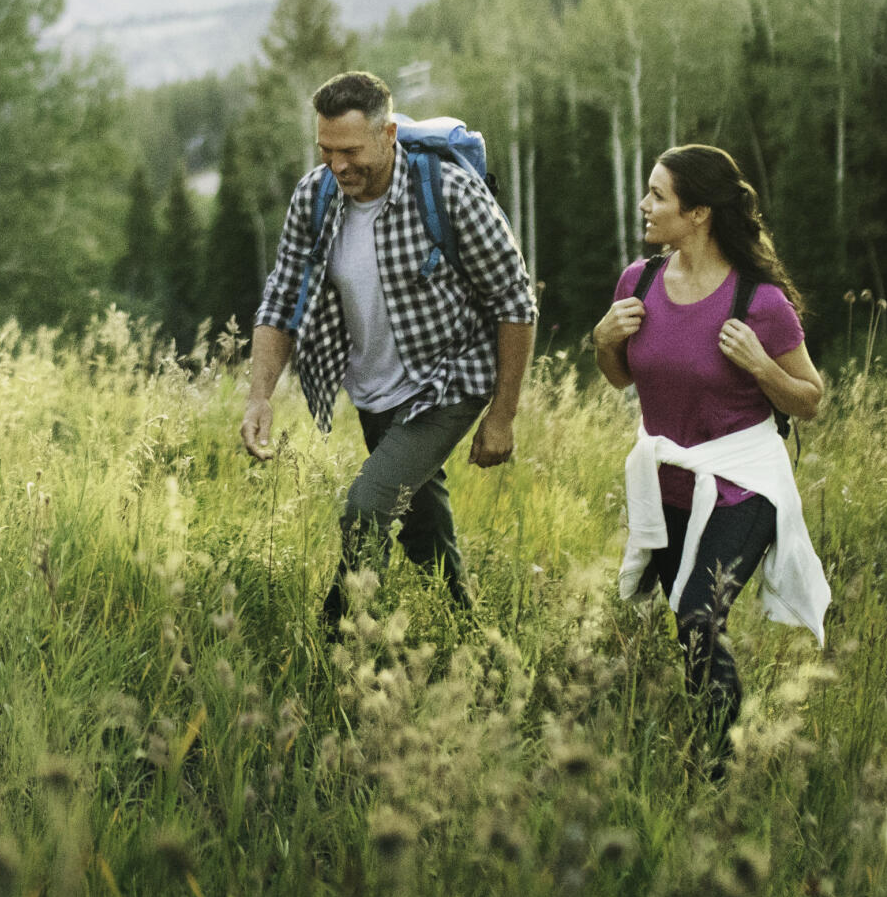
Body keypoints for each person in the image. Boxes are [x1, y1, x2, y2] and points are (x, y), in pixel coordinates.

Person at [240, 71, 538, 626]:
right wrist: (260, 397)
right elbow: (281, 302)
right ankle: (468, 636)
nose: (338, 165)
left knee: (366, 509)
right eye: (326, 150)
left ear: (388, 134)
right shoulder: (315, 195)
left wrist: (503, 414)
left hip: (449, 381)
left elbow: (515, 302)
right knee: (421, 529)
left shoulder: (448, 191)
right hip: (373, 391)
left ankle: (342, 637)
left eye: (351, 150)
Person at [592, 144, 833, 772]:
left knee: (698, 615)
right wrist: (602, 342)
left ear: (697, 212)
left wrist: (759, 365)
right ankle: (718, 739)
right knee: (688, 623)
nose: (644, 206)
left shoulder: (759, 303)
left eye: (658, 196)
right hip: (669, 481)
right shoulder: (638, 282)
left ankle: (722, 769)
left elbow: (809, 400)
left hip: (743, 481)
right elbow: (620, 379)